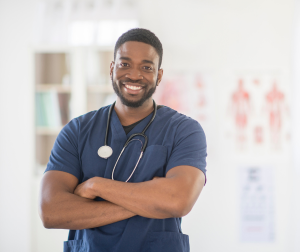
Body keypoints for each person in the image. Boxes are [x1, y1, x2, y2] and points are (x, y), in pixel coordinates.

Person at [39, 28, 207, 252]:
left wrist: (95, 186)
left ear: (158, 75)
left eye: (146, 67)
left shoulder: (184, 130)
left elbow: (179, 200)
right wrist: (154, 200)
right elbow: (51, 212)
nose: (134, 75)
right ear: (112, 69)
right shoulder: (77, 131)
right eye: (125, 64)